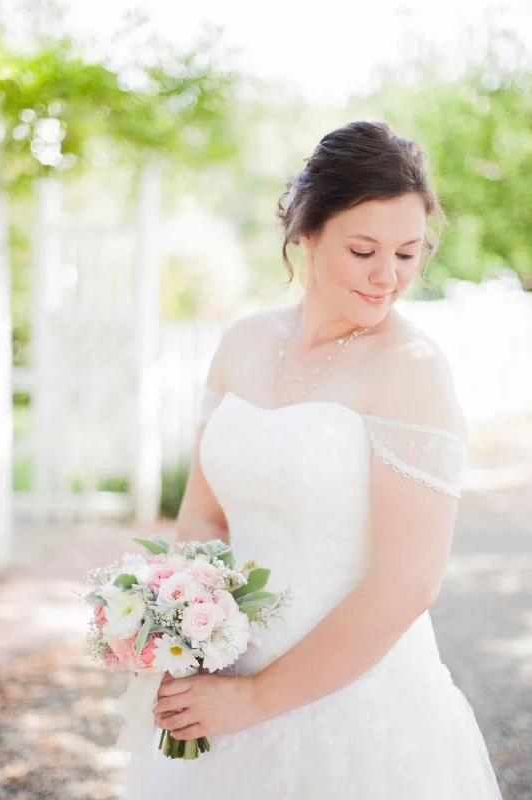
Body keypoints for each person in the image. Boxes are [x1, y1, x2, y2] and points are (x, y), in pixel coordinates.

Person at [147, 121, 503, 798]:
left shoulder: (411, 370)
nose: (387, 276)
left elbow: (407, 583)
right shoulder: (242, 343)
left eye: (407, 252)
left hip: (350, 702)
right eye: (363, 249)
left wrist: (256, 700)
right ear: (304, 233)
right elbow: (202, 512)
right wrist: (185, 637)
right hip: (219, 682)